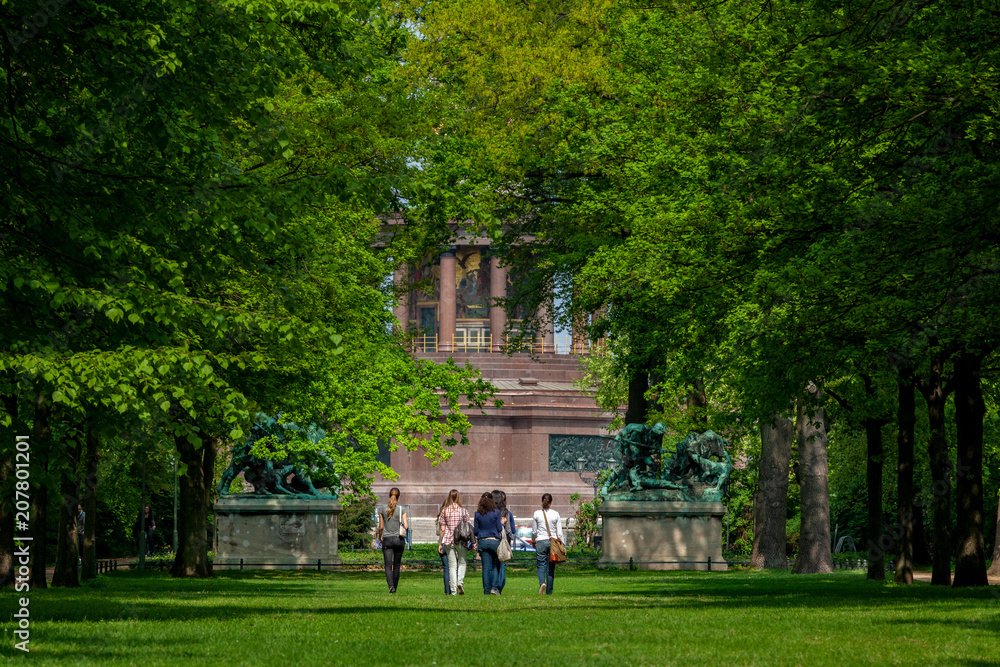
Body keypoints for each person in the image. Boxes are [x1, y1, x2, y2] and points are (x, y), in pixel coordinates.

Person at [438, 489, 473, 595]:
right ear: (458, 498)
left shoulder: (444, 511)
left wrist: (440, 543)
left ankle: (453, 591)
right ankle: (460, 582)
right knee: (462, 563)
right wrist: (471, 541)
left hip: (449, 540)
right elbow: (469, 527)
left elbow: (442, 529)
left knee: (452, 566)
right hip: (461, 540)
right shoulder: (463, 511)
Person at [473, 491, 507, 595]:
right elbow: (498, 528)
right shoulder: (496, 513)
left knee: (485, 568)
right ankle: (494, 588)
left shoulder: (477, 513)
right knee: (495, 566)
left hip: (483, 541)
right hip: (494, 541)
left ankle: (486, 591)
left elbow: (475, 531)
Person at [377, 487, 408, 593]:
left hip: (387, 539)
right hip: (399, 539)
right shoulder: (402, 509)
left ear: (389, 495)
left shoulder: (381, 509)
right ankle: (395, 586)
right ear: (399, 497)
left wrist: (379, 538)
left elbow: (381, 527)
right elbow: (406, 526)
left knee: (388, 564)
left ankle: (391, 586)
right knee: (397, 565)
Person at [533, 493, 562, 595]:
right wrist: (562, 545)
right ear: (551, 502)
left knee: (541, 565)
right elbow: (559, 533)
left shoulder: (537, 513)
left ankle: (542, 583)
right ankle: (549, 592)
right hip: (552, 542)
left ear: (542, 501)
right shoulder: (556, 514)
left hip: (540, 541)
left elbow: (534, 531)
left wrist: (533, 541)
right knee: (551, 567)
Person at [491, 489, 514, 594]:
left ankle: (492, 587)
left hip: (491, 540)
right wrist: (508, 542)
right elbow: (509, 530)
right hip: (502, 540)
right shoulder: (506, 512)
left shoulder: (489, 512)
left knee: (492, 566)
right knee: (502, 566)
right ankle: (498, 588)